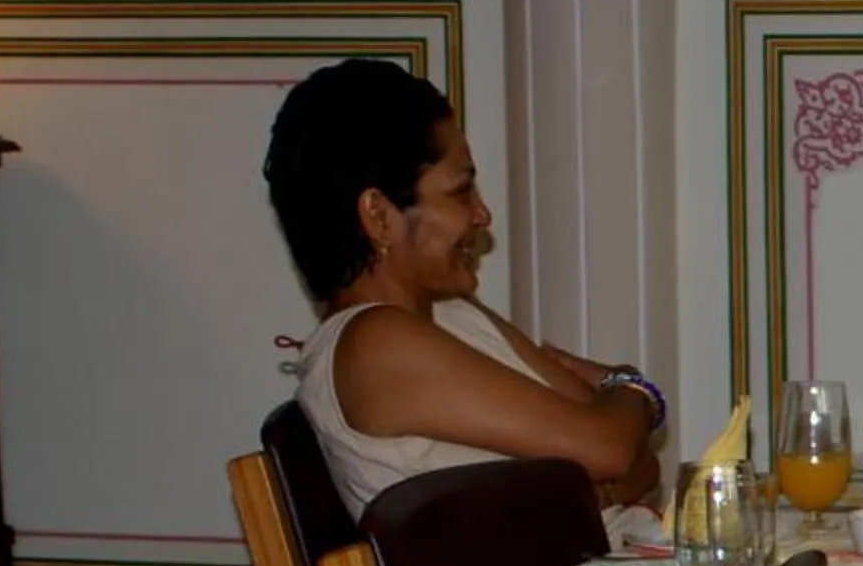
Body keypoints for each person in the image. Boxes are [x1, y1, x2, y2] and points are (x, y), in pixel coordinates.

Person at [264, 59, 665, 527]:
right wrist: (632, 384)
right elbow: (612, 447)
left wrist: (605, 460)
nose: (482, 215)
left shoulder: (451, 315)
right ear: (378, 215)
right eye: (460, 192)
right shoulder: (375, 344)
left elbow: (641, 464)